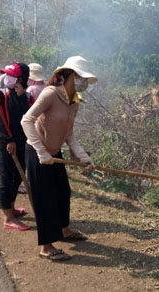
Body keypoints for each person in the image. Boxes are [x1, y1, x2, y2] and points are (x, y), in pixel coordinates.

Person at [21, 56, 97, 261]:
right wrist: (41, 152)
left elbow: (69, 134)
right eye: (80, 77)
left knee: (63, 191)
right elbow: (26, 120)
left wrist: (83, 158)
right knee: (44, 198)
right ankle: (46, 246)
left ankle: (63, 230)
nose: (83, 82)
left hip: (54, 153)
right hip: (37, 152)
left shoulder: (74, 102)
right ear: (70, 75)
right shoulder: (51, 94)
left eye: (85, 79)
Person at [0, 63, 33, 231]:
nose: (8, 78)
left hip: (23, 142)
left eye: (13, 76)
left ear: (21, 79)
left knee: (17, 177)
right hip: (5, 143)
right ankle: (8, 217)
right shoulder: (1, 93)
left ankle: (12, 207)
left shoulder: (26, 95)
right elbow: (0, 119)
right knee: (6, 178)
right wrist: (9, 140)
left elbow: (31, 115)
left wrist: (23, 97)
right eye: (7, 75)